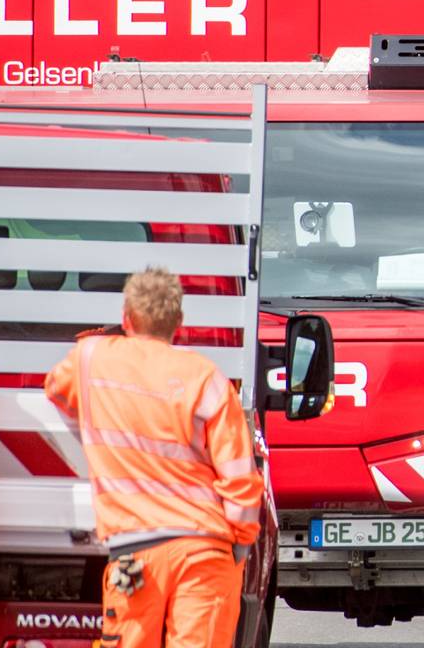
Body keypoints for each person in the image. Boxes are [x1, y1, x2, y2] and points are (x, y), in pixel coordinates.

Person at [46, 269, 266, 648]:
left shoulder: (91, 359)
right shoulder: (206, 378)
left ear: (126, 317)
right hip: (205, 549)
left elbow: (56, 391)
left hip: (136, 550)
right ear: (178, 323)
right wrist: (240, 544)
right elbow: (239, 475)